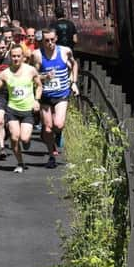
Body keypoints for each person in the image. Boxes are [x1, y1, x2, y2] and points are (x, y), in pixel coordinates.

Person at [0, 44, 42, 173]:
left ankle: (26, 141)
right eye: (13, 56)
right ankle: (20, 162)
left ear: (23, 57)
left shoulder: (31, 70)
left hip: (27, 110)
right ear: (10, 57)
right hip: (12, 109)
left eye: (18, 56)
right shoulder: (5, 74)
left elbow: (39, 86)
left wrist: (37, 100)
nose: (16, 59)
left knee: (24, 138)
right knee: (14, 137)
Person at [32, 28, 79, 168]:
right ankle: (51, 155)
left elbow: (74, 64)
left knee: (58, 125)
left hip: (61, 94)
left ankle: (57, 134)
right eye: (47, 40)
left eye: (52, 40)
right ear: (42, 41)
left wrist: (74, 82)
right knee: (47, 129)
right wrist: (44, 77)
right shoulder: (37, 55)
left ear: (56, 38)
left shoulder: (65, 51)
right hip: (45, 95)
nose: (50, 43)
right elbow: (33, 75)